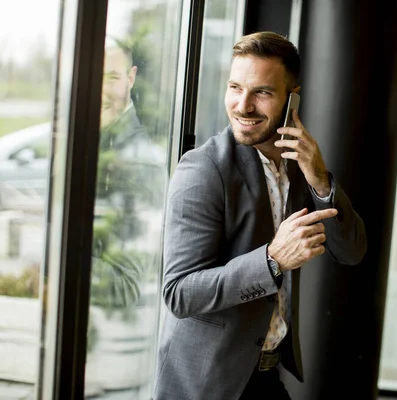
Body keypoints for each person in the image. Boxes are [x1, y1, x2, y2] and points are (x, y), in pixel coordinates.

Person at [152, 31, 367, 400]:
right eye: (235, 88)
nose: (243, 106)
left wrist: (320, 180)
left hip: (266, 378)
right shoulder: (203, 169)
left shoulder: (301, 166)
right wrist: (272, 260)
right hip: (206, 386)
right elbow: (179, 294)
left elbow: (351, 251)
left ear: (291, 98)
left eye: (262, 93)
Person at [90, 37, 163, 310]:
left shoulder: (139, 163)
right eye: (93, 78)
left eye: (111, 78)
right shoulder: (93, 142)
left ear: (131, 78)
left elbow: (125, 286)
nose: (99, 92)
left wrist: (51, 259)